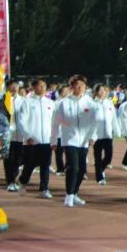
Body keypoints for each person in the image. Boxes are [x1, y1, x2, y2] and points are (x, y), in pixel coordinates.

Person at [52, 74, 96, 208]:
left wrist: (93, 136)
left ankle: (75, 193)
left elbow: (94, 122)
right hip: (69, 140)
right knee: (73, 167)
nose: (80, 87)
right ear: (71, 86)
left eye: (83, 85)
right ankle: (69, 195)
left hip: (84, 141)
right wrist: (53, 140)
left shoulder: (89, 102)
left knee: (82, 169)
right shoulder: (63, 103)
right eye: (77, 85)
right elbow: (55, 123)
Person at [16, 78, 57, 198]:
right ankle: (23, 182)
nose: (42, 88)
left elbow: (54, 123)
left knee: (45, 165)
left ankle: (44, 189)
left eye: (44, 86)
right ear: (33, 87)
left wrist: (54, 139)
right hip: (32, 141)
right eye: (39, 86)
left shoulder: (50, 103)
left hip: (46, 141)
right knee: (30, 165)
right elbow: (21, 121)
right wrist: (27, 136)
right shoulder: (27, 102)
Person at [91, 84, 118, 185]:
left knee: (108, 156)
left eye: (104, 90)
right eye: (100, 90)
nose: (102, 92)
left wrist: (117, 130)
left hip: (108, 134)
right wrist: (91, 135)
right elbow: (90, 121)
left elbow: (114, 118)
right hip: (96, 135)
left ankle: (100, 170)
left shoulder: (109, 103)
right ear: (96, 92)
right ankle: (99, 177)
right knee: (97, 157)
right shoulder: (92, 104)